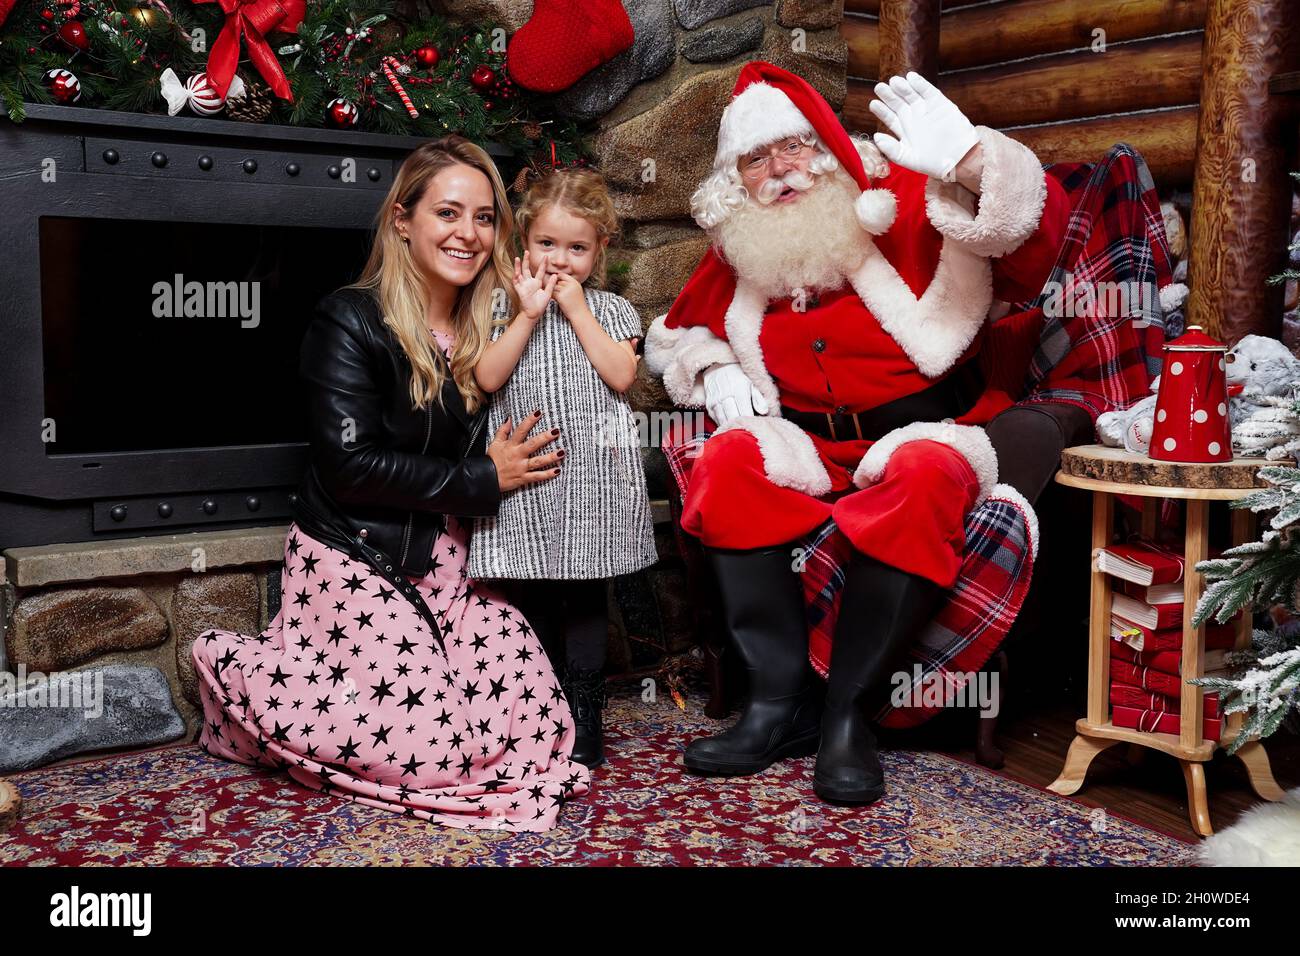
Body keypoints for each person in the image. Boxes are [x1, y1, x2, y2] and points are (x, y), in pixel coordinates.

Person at [645, 62, 1069, 804]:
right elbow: (678, 331)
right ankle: (779, 707)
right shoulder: (742, 247)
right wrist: (713, 372)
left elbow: (1035, 243)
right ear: (735, 179)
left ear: (830, 145)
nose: (782, 170)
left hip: (924, 425)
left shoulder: (906, 197)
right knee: (727, 464)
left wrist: (972, 160)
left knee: (925, 478)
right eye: (757, 157)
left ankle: (847, 717)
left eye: (797, 145)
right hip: (804, 435)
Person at [191, 135, 591, 831]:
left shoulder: (492, 323)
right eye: (447, 212)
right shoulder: (349, 318)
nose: (468, 233)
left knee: (539, 724)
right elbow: (351, 468)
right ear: (403, 220)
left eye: (485, 216)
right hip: (357, 554)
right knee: (435, 754)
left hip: (452, 563)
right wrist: (483, 478)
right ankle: (238, 674)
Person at [468, 168, 658, 769]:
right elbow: (487, 378)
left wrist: (577, 311)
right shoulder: (500, 303)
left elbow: (623, 377)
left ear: (599, 249)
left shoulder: (614, 309)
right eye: (547, 244)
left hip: (593, 478)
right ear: (525, 240)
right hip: (529, 475)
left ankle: (584, 713)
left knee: (583, 592)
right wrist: (527, 314)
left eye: (577, 248)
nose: (560, 260)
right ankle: (535, 707)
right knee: (529, 593)